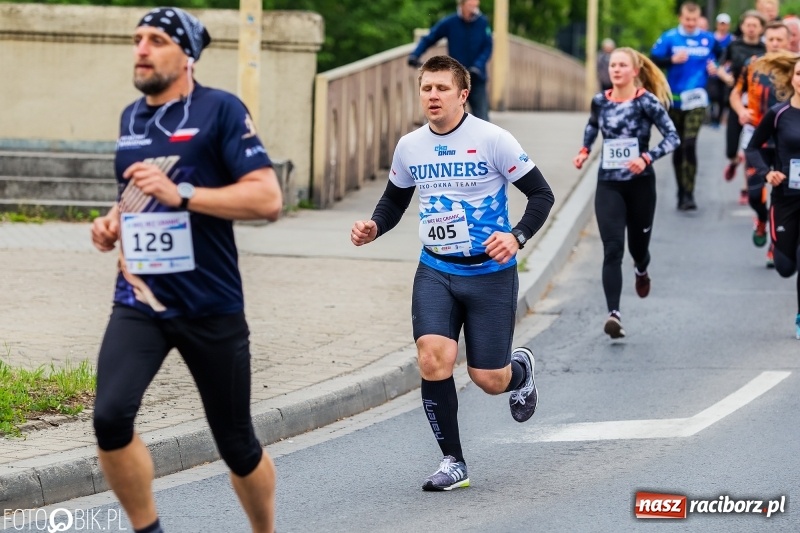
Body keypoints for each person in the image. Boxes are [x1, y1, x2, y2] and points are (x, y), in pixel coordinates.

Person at [90, 8, 282, 533]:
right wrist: (112, 222)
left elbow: (267, 198)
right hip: (140, 303)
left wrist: (185, 194)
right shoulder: (131, 118)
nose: (141, 49)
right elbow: (137, 199)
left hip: (211, 305)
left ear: (187, 54)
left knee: (236, 444)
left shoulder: (220, 110)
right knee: (109, 419)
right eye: (137, 39)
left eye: (156, 39)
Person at [351, 55, 554, 491]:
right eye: (427, 88)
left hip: (490, 274)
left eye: (442, 89)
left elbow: (541, 194)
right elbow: (394, 201)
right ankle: (454, 462)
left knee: (487, 378)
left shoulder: (493, 139)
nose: (433, 96)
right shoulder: (410, 146)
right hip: (436, 270)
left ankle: (519, 372)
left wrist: (516, 236)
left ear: (463, 95)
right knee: (432, 358)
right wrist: (375, 226)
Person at [573, 48, 680, 338]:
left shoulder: (647, 102)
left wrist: (646, 157)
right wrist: (584, 150)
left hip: (640, 184)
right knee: (612, 248)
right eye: (612, 65)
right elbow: (593, 126)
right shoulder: (600, 101)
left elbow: (673, 137)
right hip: (609, 183)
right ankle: (614, 314)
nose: (616, 70)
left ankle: (642, 268)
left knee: (637, 248)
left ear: (635, 71)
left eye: (622, 65)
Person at [744, 51, 800, 338]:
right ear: (792, 78)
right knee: (785, 266)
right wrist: (767, 173)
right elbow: (752, 147)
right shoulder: (778, 113)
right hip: (785, 197)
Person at [729, 21, 792, 267]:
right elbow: (736, 92)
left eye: (780, 40)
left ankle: (775, 245)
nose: (775, 44)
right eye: (771, 39)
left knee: (782, 195)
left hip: (787, 139)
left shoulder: (794, 67)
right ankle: (761, 220)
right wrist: (740, 110)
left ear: (789, 42)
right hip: (757, 136)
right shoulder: (753, 64)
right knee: (755, 194)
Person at [651, 1, 719, 211]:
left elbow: (722, 54)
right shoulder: (670, 37)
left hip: (697, 99)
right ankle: (681, 191)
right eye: (687, 19)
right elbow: (653, 60)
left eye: (694, 19)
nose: (691, 23)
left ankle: (689, 193)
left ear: (699, 19)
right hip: (674, 99)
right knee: (678, 145)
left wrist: (715, 67)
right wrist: (671, 60)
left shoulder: (708, 39)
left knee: (690, 143)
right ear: (681, 18)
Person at [407, 0, 493, 121]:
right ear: (462, 4)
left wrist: (478, 66)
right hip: (455, 77)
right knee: (448, 116)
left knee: (483, 118)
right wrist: (415, 54)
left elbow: (488, 47)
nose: (474, 7)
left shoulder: (482, 22)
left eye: (476, 4)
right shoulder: (450, 22)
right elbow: (430, 37)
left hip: (476, 77)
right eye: (471, 4)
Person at [718, 10, 767, 202]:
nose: (752, 28)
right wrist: (726, 77)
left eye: (756, 25)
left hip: (758, 103)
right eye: (748, 24)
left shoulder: (765, 49)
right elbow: (720, 65)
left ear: (761, 28)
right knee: (731, 148)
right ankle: (733, 161)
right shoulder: (733, 45)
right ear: (743, 26)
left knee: (750, 147)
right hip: (737, 98)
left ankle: (746, 189)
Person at [707, 13, 734, 128]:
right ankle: (712, 116)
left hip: (725, 72)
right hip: (713, 71)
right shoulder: (711, 38)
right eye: (721, 24)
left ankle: (718, 119)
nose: (722, 27)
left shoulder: (732, 39)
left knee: (723, 96)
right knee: (713, 95)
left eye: (725, 24)